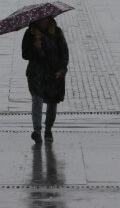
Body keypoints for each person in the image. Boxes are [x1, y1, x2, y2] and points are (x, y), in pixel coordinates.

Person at [22, 15, 69, 144]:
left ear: (49, 19)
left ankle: (48, 129)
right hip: (36, 74)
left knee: (52, 101)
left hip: (53, 73)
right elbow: (25, 54)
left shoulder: (57, 32)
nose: (43, 21)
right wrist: (36, 48)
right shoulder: (30, 33)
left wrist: (62, 70)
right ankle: (37, 131)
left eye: (45, 19)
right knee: (37, 99)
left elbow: (64, 52)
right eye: (40, 19)